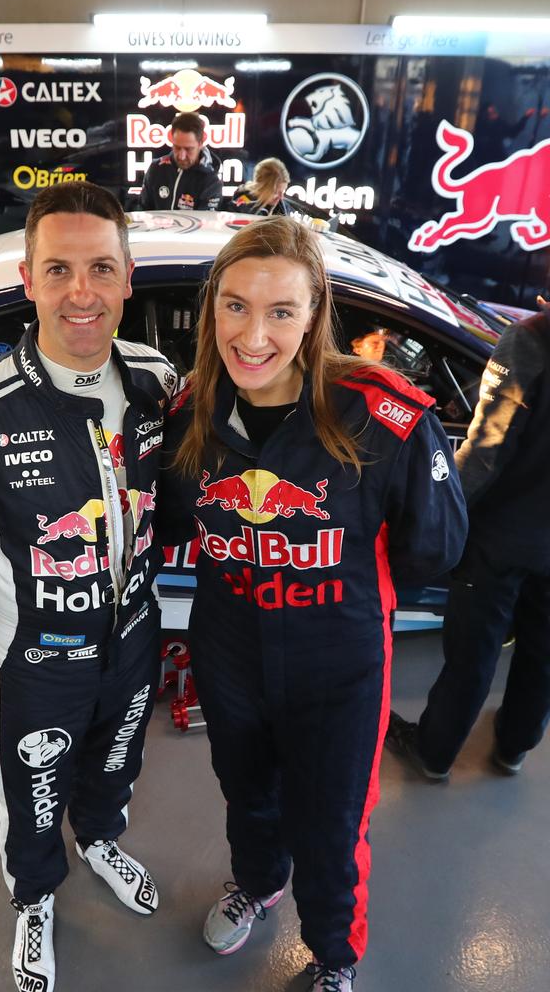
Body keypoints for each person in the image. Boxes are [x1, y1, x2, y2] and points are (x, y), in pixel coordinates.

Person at [158, 216, 467, 990]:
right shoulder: (189, 412)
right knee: (247, 793)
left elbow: (438, 547)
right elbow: (164, 525)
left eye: (280, 311)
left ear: (316, 312)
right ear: (211, 311)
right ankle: (258, 884)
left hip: (340, 661)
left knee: (332, 826)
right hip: (230, 651)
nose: (252, 334)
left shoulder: (386, 415)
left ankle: (334, 955)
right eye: (234, 306)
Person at [0, 181, 178, 992]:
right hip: (33, 665)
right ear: (28, 279)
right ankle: (34, 896)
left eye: (99, 269)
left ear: (127, 279)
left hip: (132, 644)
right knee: (31, 791)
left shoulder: (160, 381)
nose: (80, 293)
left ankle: (103, 839)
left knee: (116, 766)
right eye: (58, 270)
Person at [386, 295, 550, 780]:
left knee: (472, 655)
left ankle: (434, 753)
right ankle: (514, 747)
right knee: (543, 653)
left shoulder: (531, 341)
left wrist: (437, 516)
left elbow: (484, 453)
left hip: (500, 542)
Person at [137, 111, 222, 211]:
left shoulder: (211, 180)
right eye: (177, 147)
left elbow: (206, 224)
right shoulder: (156, 169)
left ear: (200, 144)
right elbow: (143, 211)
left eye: (188, 149)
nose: (182, 156)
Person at [229, 157, 294, 216]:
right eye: (275, 192)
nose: (281, 197)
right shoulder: (242, 207)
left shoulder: (282, 206)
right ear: (261, 187)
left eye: (283, 191)